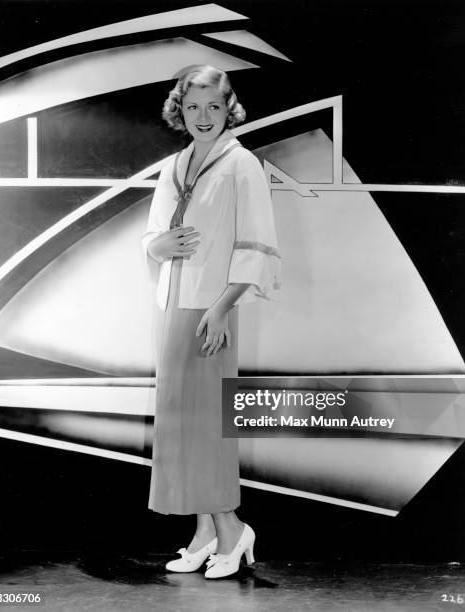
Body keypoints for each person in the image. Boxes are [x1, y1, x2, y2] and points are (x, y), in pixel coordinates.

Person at [141, 65, 281, 579]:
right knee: (182, 422)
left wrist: (222, 309)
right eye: (193, 107)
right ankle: (205, 532)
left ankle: (232, 529)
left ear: (229, 109)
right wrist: (157, 245)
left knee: (207, 425)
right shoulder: (174, 166)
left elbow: (258, 244)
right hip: (172, 304)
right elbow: (151, 237)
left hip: (211, 308)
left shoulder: (241, 164)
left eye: (214, 107)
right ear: (180, 109)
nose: (204, 117)